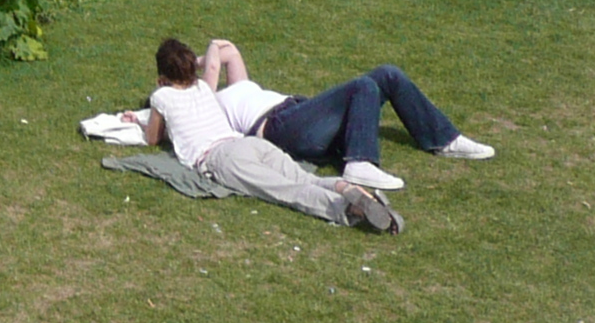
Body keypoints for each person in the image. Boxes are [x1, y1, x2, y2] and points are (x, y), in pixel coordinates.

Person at [128, 39, 401, 233]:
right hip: (247, 143)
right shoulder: (201, 88)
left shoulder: (161, 97)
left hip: (221, 159)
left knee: (287, 191)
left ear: (162, 75)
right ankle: (348, 189)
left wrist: (142, 119)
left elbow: (153, 138)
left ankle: (348, 209)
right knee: (304, 178)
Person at [194, 37, 492, 192]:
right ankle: (359, 162)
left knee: (388, 75)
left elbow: (228, 51)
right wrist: (201, 62)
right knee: (361, 86)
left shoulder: (236, 87)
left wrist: (195, 58)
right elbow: (213, 67)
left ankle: (443, 139)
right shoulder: (203, 101)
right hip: (278, 127)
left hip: (298, 111)